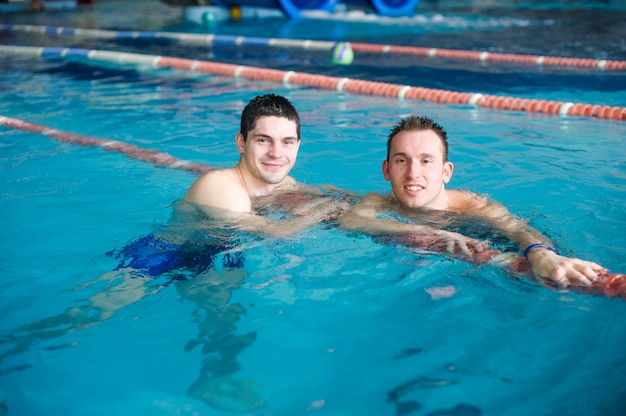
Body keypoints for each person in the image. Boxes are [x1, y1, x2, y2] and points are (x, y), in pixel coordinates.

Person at [340, 115, 610, 289]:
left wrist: (542, 254)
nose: (413, 173)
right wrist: (430, 232)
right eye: (402, 160)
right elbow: (352, 220)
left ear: (446, 172)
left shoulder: (472, 205)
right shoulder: (379, 201)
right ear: (387, 170)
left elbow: (516, 229)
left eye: (426, 161)